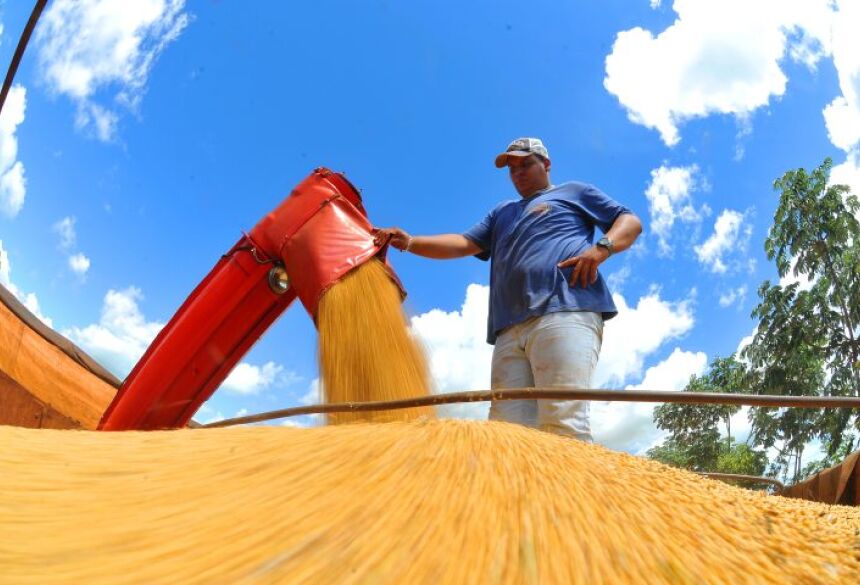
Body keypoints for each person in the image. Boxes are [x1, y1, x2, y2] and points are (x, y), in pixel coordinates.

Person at [374, 138, 642, 441]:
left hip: (564, 309)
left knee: (562, 420)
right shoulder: (502, 213)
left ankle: (575, 490)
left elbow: (629, 221)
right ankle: (522, 491)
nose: (518, 173)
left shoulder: (573, 192)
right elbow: (464, 243)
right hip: (508, 329)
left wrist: (602, 248)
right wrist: (410, 242)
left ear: (546, 164)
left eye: (525, 164)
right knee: (507, 434)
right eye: (512, 169)